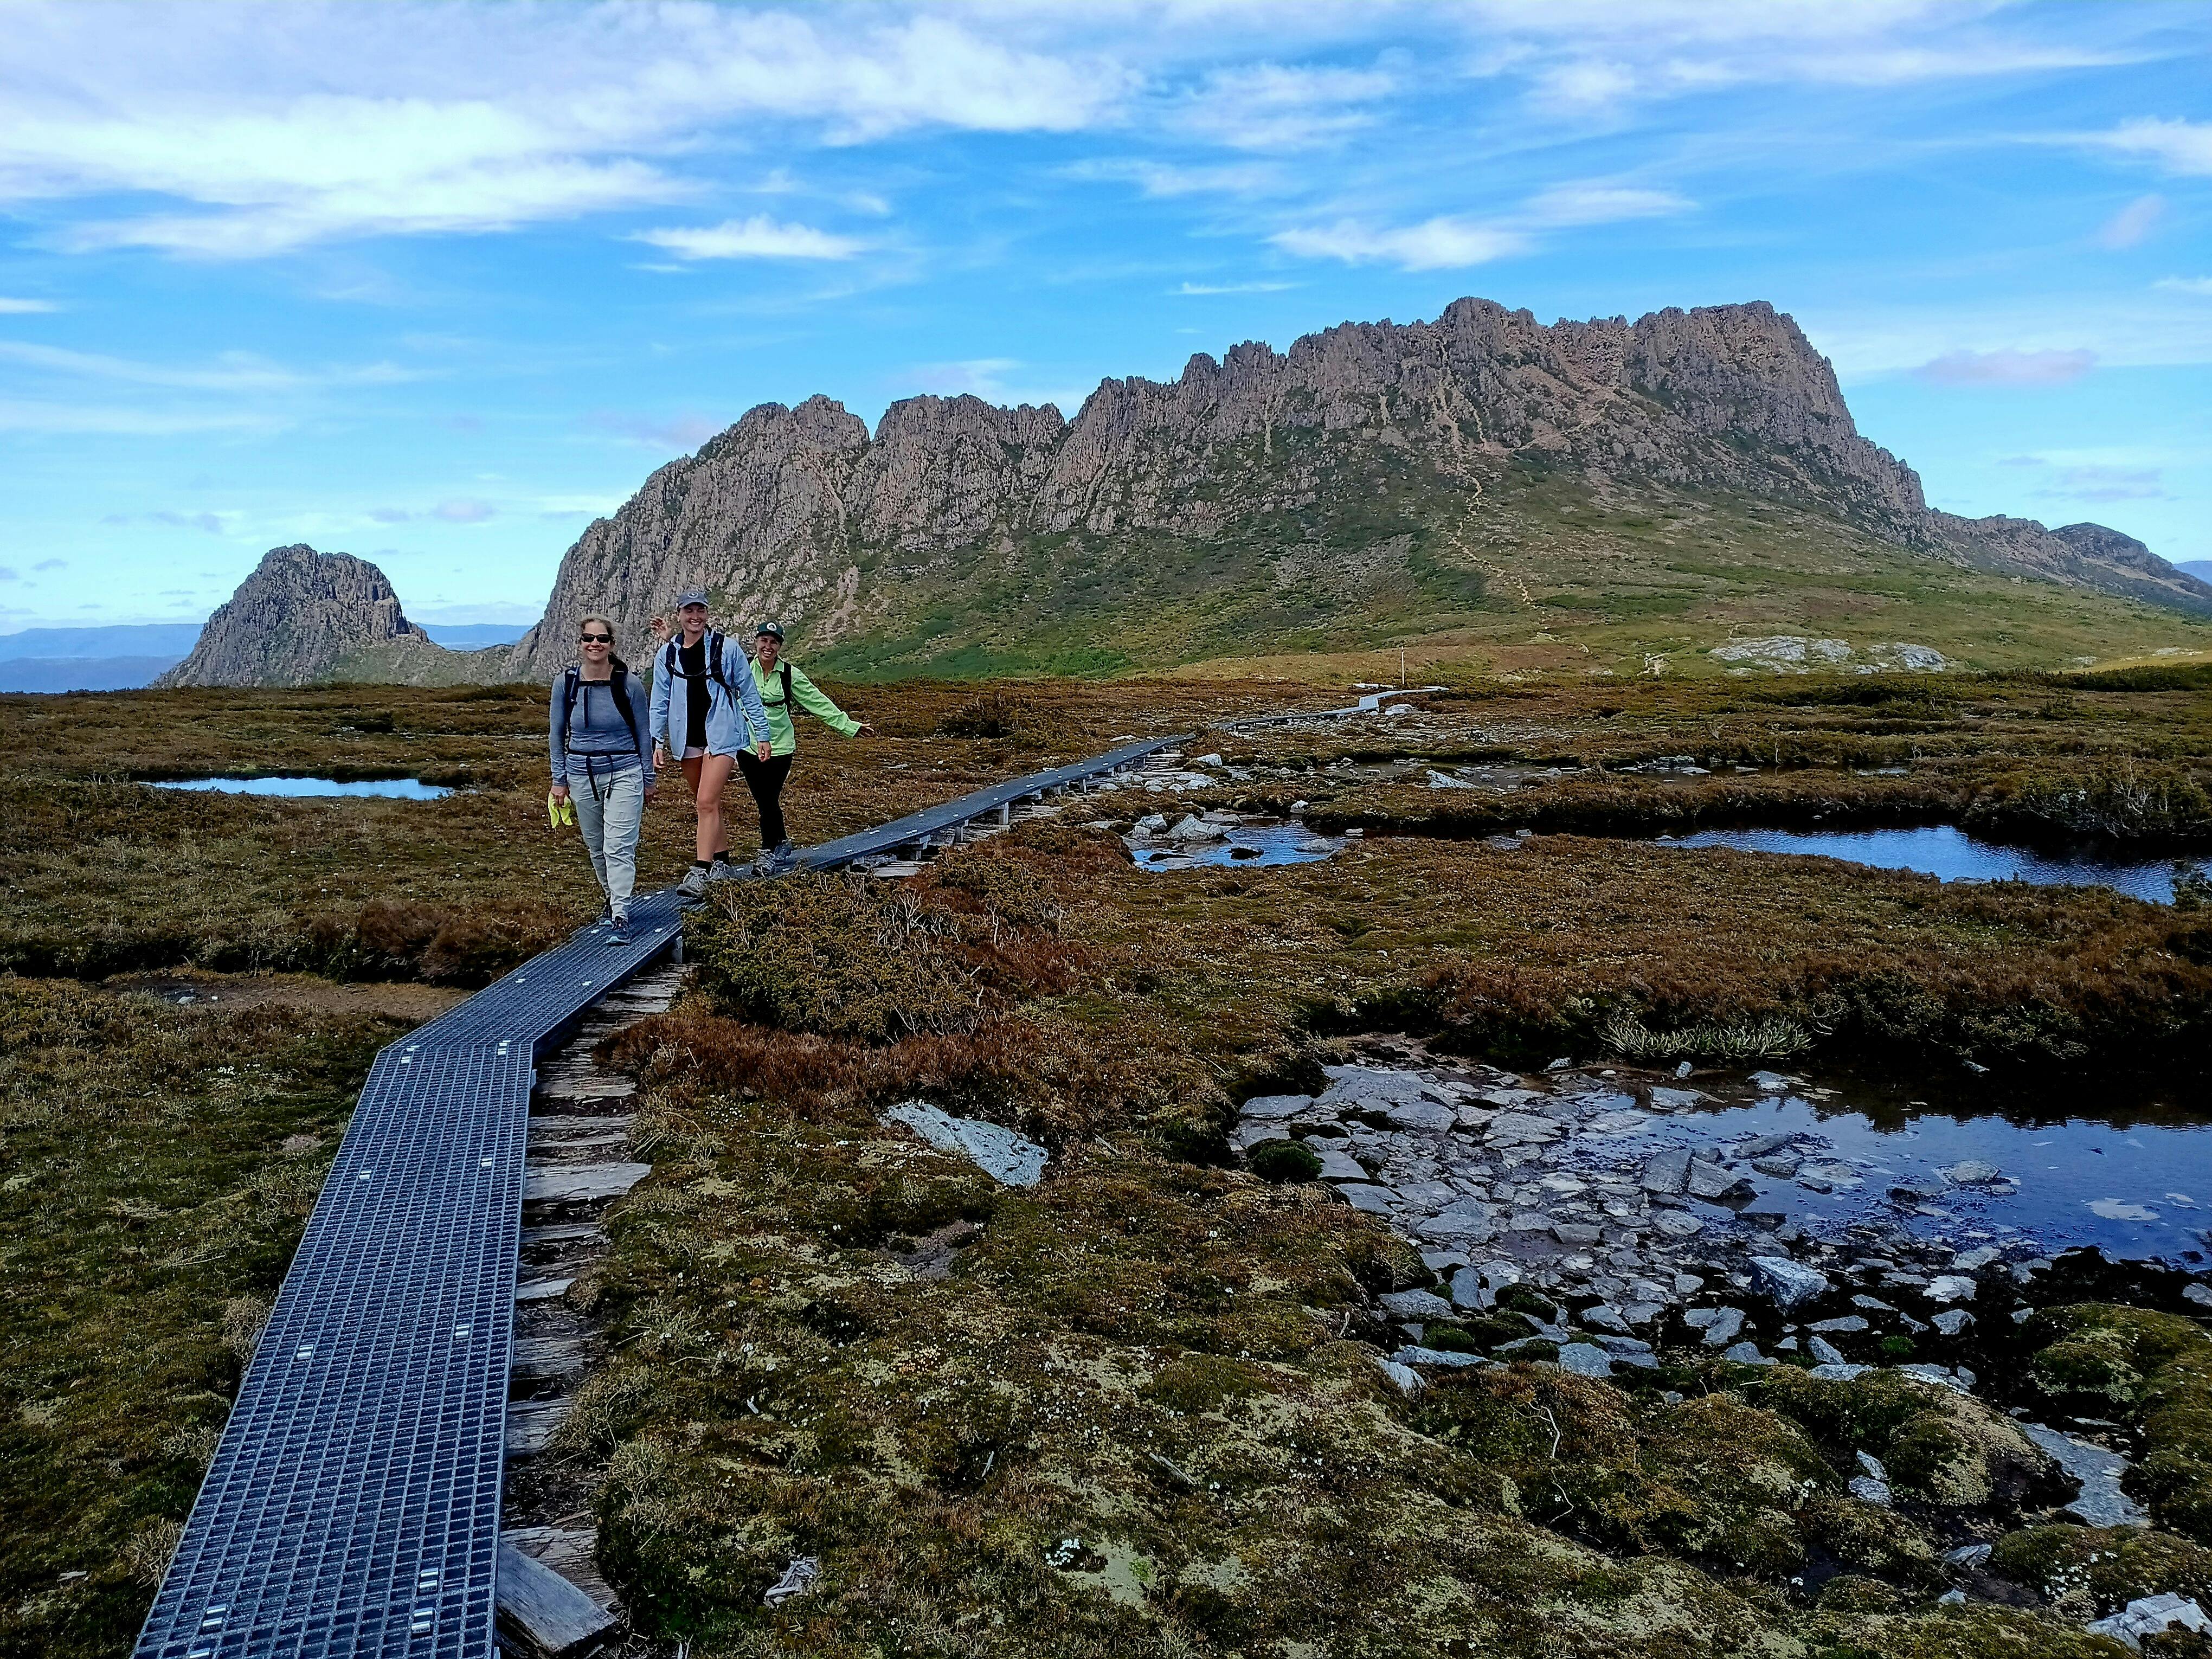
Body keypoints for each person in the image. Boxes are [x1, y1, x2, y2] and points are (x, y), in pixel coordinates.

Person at [647, 589, 772, 898]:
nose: (695, 616)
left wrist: (763, 735)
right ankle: (723, 863)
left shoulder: (727, 648)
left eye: (700, 610)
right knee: (709, 804)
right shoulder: (667, 654)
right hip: (685, 738)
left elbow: (749, 693)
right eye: (689, 610)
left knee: (705, 802)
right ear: (679, 614)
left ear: (707, 613)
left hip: (722, 735)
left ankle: (700, 871)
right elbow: (660, 699)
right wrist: (656, 740)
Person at [549, 614, 655, 943]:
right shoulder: (565, 683)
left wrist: (648, 779)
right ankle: (613, 900)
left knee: (618, 846)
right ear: (580, 643)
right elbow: (556, 734)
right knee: (596, 847)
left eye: (602, 639)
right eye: (588, 638)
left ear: (612, 644)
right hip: (581, 774)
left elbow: (643, 733)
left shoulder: (629, 683)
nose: (595, 644)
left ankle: (621, 914)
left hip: (625, 772)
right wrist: (559, 779)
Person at [740, 619, 870, 875]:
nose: (768, 646)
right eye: (764, 641)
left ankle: (768, 852)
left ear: (780, 646)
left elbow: (817, 702)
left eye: (774, 642)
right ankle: (782, 842)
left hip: (781, 747)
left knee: (767, 797)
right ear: (756, 642)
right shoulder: (742, 670)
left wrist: (849, 726)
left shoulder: (790, 675)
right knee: (764, 799)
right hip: (748, 745)